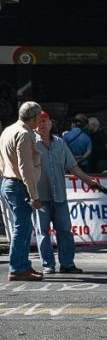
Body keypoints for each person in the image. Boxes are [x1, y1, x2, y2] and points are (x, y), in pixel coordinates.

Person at [33, 112, 103, 274]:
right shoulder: (30, 143)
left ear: (50, 123)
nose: (43, 124)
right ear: (34, 125)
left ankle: (67, 264)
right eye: (39, 122)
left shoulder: (60, 143)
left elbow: (73, 167)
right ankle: (48, 265)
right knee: (42, 232)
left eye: (45, 121)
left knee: (65, 231)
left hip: (59, 196)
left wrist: (89, 181)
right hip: (39, 196)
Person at [1, 102, 45, 281]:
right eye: (39, 118)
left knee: (24, 228)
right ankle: (18, 268)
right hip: (19, 185)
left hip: (8, 182)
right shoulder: (25, 134)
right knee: (22, 228)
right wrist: (34, 195)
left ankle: (23, 265)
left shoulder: (8, 130)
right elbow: (25, 167)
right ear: (34, 118)